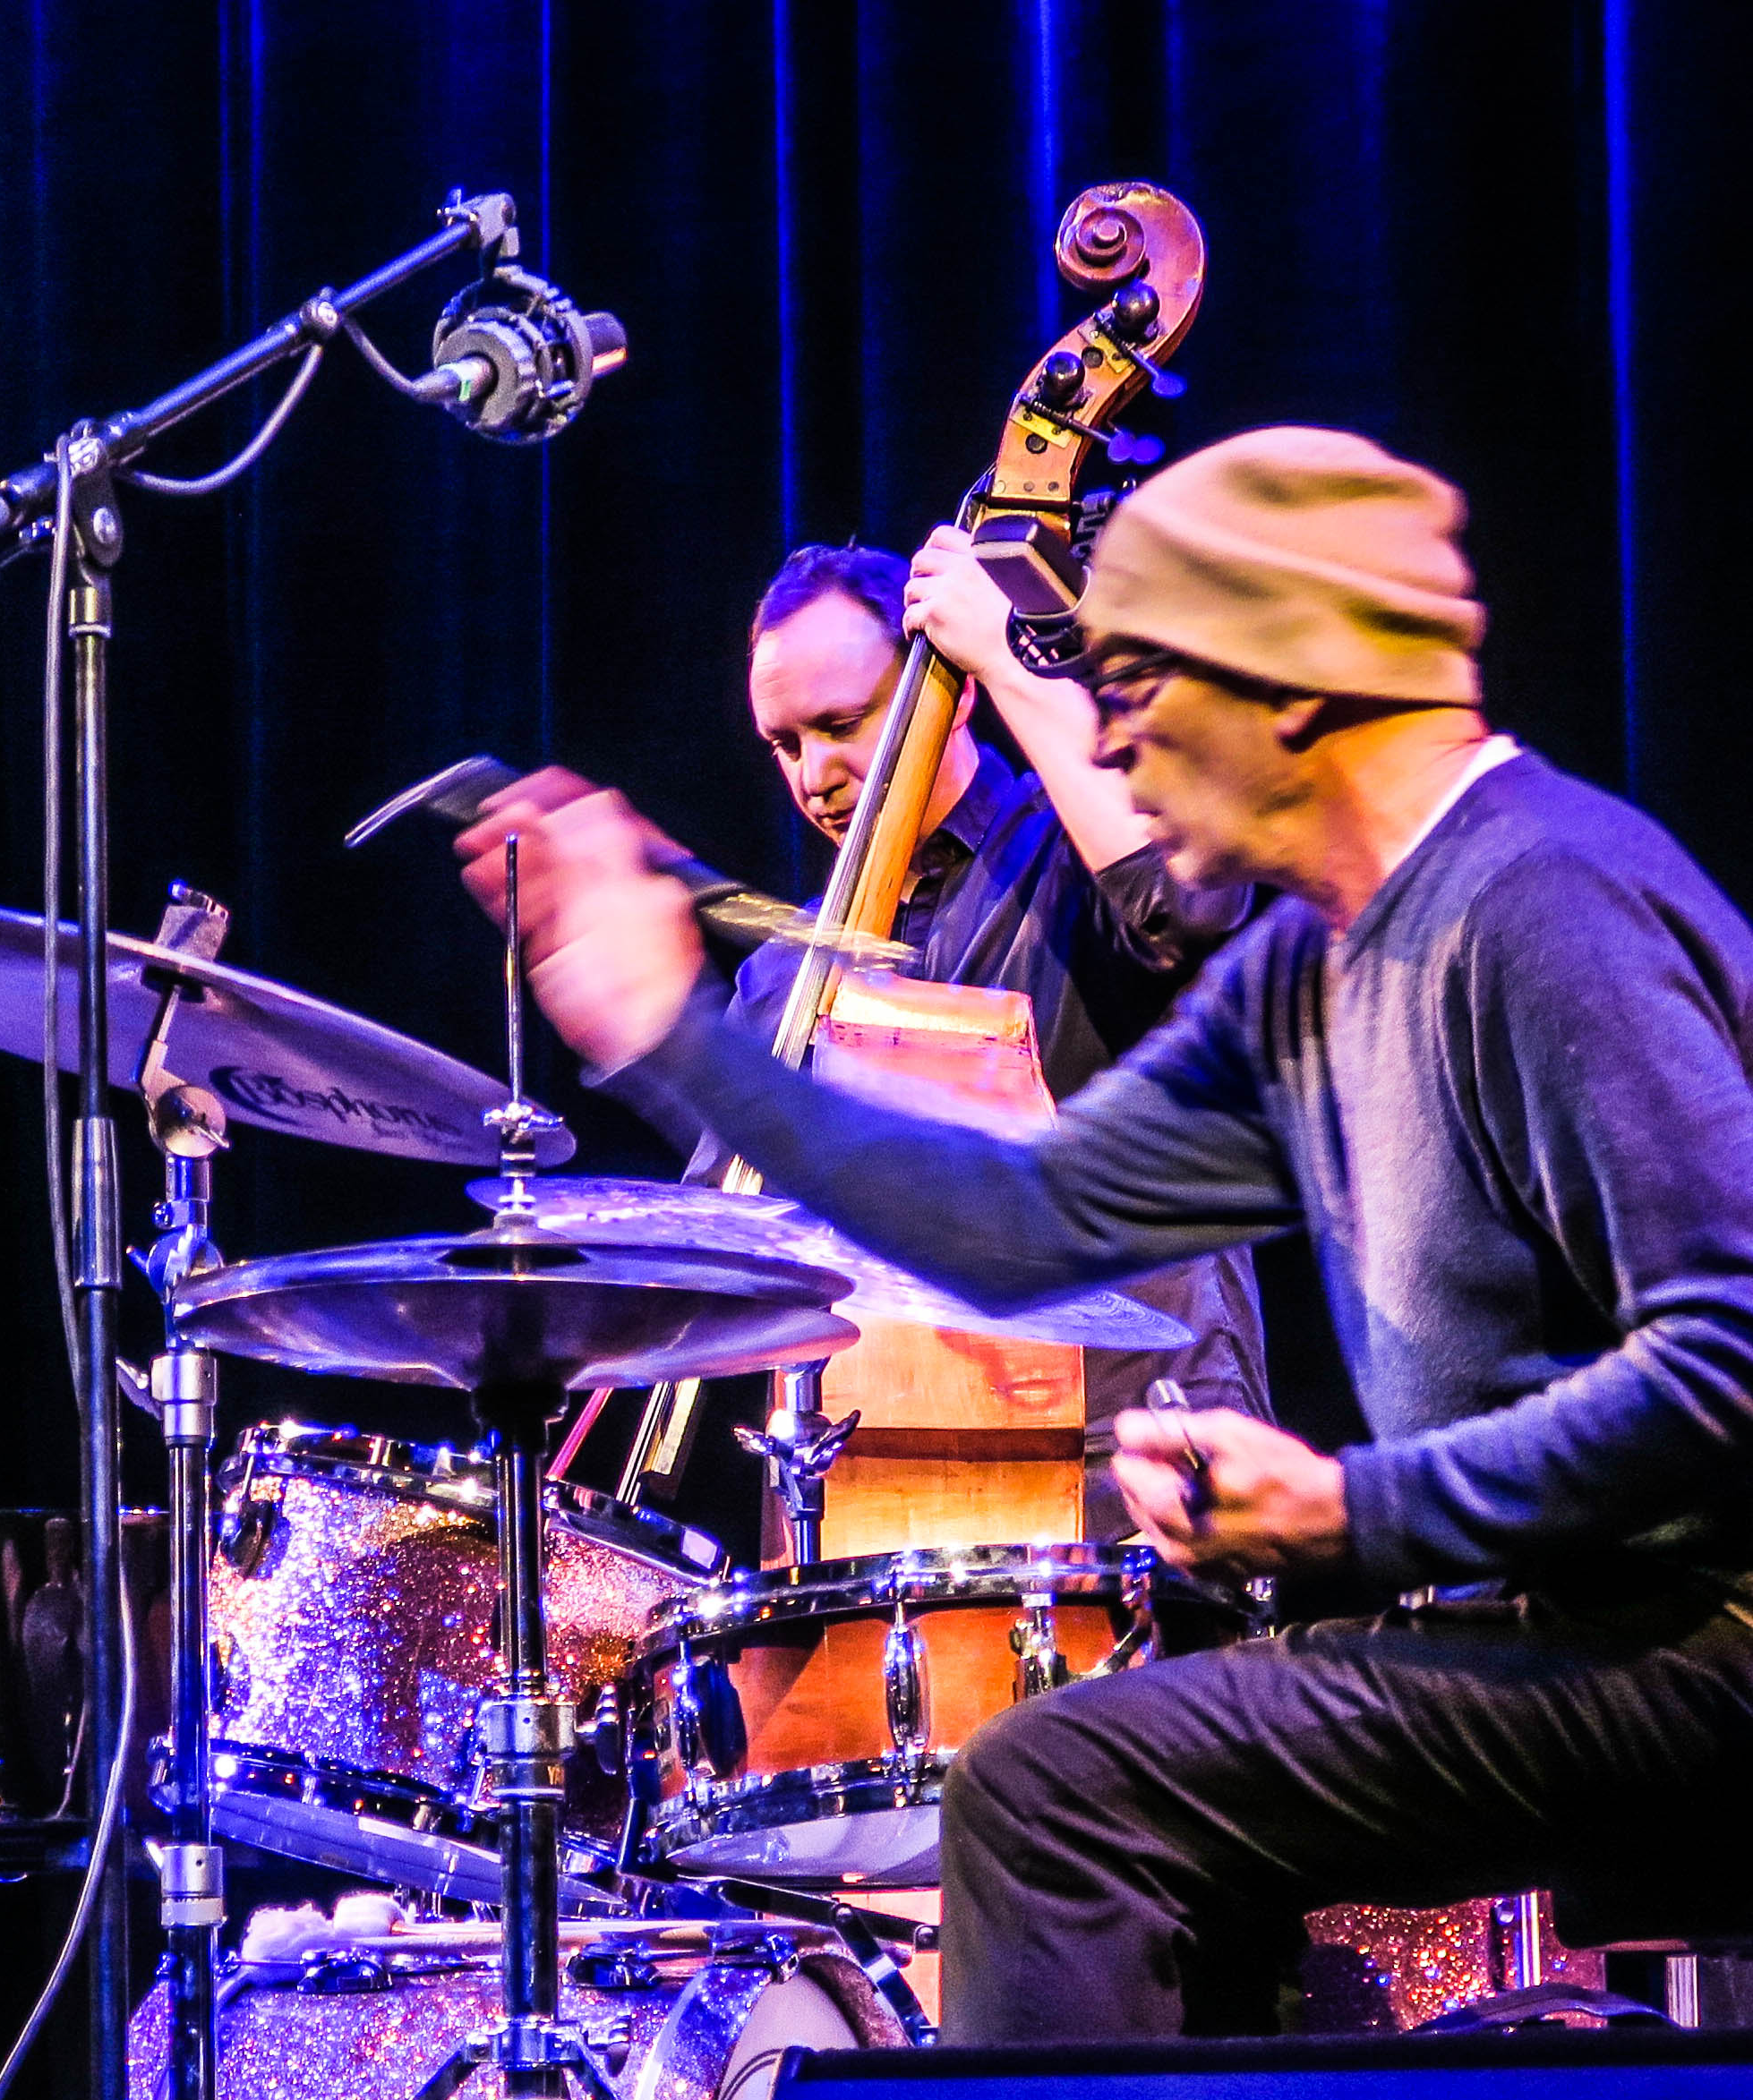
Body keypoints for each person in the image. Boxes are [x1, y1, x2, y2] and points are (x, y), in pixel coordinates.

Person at [467, 426, 1753, 2042]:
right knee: (1132, 1758)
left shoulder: (1544, 905)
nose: (1108, 760)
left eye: (1135, 697)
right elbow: (1020, 1217)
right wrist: (674, 1033)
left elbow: (1745, 1362)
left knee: (1056, 1788)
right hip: (1605, 1618)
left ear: (1286, 691)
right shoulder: (1312, 970)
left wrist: (1354, 1506)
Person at [534, 534, 1274, 1515]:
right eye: (785, 743)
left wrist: (1003, 655)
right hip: (860, 1478)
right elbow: (729, 1245)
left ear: (947, 692)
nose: (814, 774)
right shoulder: (782, 972)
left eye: (842, 723)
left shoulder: (1070, 856)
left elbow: (1188, 906)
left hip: (1120, 1449)